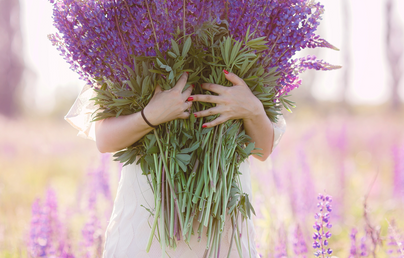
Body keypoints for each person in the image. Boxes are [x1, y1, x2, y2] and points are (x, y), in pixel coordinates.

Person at [66, 70, 286, 257]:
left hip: (224, 224)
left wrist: (253, 109)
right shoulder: (125, 29)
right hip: (148, 225)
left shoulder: (255, 26)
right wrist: (149, 116)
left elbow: (263, 150)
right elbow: (104, 139)